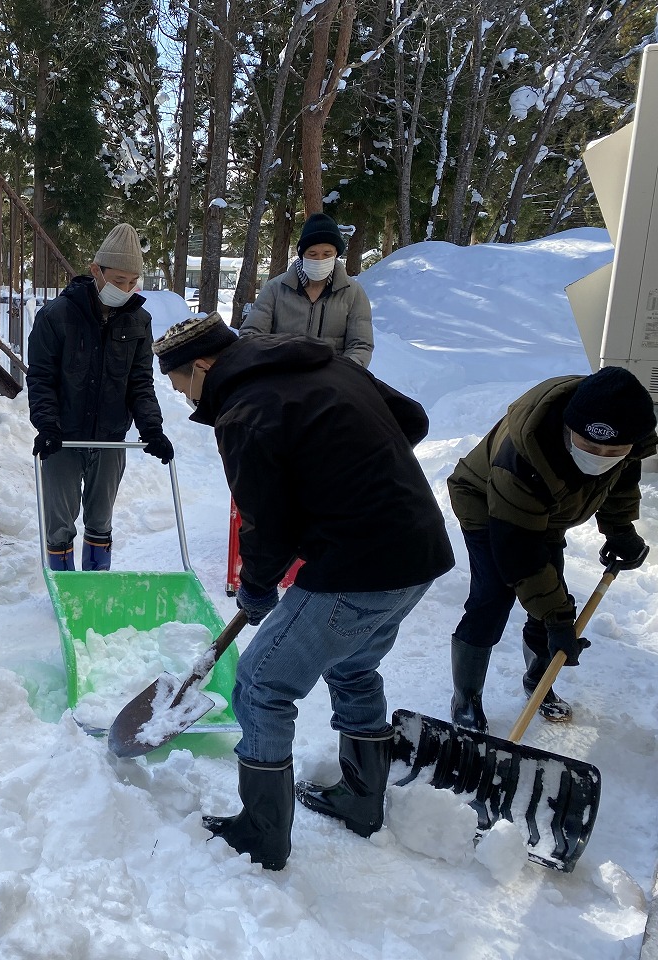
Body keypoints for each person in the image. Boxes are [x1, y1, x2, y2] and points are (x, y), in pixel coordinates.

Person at [152, 314, 453, 871]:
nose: (185, 398)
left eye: (179, 386)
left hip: (360, 564)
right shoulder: (324, 364)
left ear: (200, 367)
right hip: (420, 551)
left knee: (263, 682)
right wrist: (346, 471)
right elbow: (411, 419)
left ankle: (262, 832)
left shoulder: (245, 412)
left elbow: (263, 525)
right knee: (354, 667)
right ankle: (361, 800)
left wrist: (257, 592)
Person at [447, 367, 656, 731]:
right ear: (567, 428)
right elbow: (521, 553)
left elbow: (620, 481)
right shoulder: (525, 453)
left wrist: (620, 529)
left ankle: (538, 683)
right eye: (590, 446)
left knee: (553, 597)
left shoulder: (626, 437)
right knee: (494, 597)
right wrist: (558, 620)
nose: (600, 457)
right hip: (487, 502)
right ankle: (466, 697)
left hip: (547, 512)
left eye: (614, 451)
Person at [25, 223, 173, 571]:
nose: (125, 289)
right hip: (63, 439)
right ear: (96, 271)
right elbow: (41, 379)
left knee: (101, 520)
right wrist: (47, 426)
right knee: (59, 523)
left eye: (131, 281)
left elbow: (140, 382)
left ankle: (95, 585)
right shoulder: (56, 316)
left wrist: (152, 428)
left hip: (110, 440)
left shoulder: (139, 320)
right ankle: (64, 587)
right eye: (118, 280)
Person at [239, 212, 373, 367]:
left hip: (332, 382)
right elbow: (251, 335)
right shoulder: (275, 289)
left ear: (336, 253)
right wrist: (272, 365)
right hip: (280, 377)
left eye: (327, 254)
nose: (320, 259)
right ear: (302, 254)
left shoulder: (353, 293)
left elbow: (361, 345)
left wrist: (341, 373)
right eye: (313, 254)